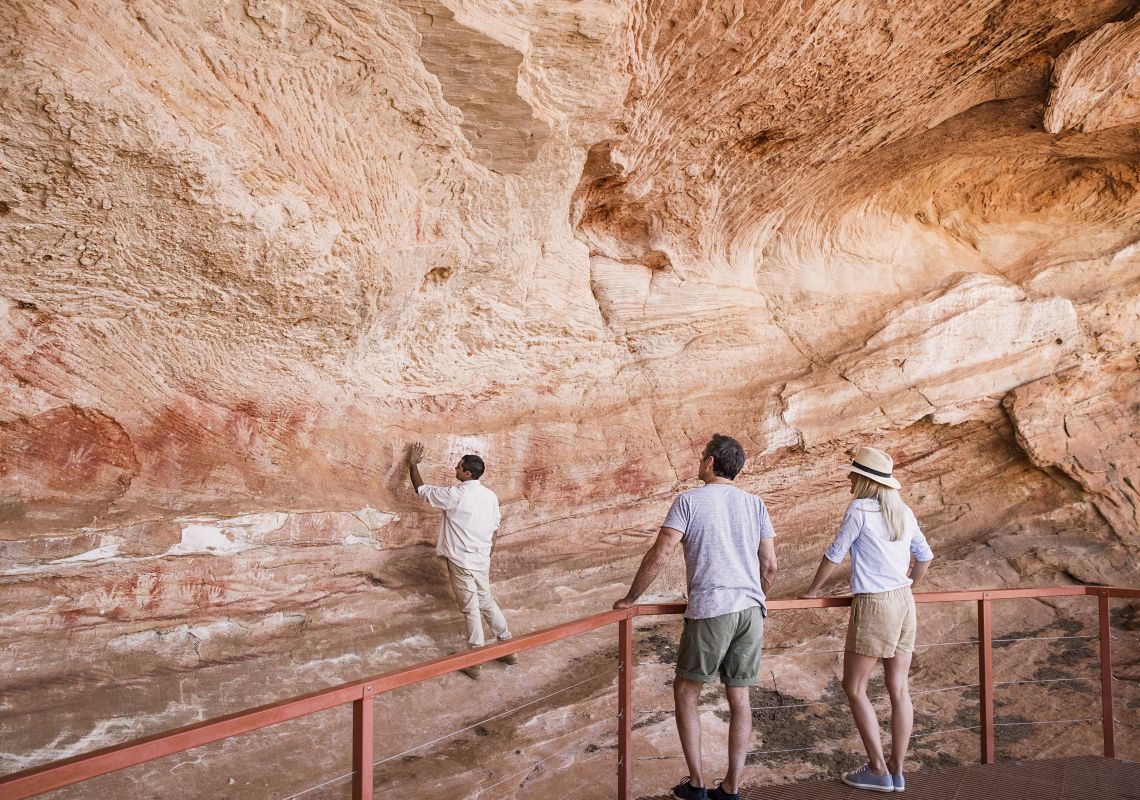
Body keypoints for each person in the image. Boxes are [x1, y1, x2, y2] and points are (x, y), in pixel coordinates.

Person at [614, 434, 777, 800]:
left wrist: (631, 598)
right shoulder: (755, 504)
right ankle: (731, 787)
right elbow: (770, 564)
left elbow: (661, 554)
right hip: (751, 610)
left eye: (702, 457)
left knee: (687, 691)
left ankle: (698, 785)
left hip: (712, 609)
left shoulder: (688, 501)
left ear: (709, 462)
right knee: (740, 699)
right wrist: (758, 598)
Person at [801, 446, 934, 793]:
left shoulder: (860, 508)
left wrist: (813, 590)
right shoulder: (903, 511)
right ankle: (897, 771)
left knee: (855, 687)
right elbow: (925, 556)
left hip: (875, 605)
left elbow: (835, 553)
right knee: (899, 688)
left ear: (864, 479)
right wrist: (909, 588)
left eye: (852, 473)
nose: (848, 477)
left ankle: (877, 769)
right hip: (905, 603)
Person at [408, 442, 516, 680]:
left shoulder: (456, 495)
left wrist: (412, 464)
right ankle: (507, 647)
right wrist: (488, 552)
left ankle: (475, 659)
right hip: (481, 558)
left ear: (467, 473)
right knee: (486, 601)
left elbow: (422, 490)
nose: (454, 469)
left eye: (458, 467)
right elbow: (495, 528)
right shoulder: (490, 496)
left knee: (470, 607)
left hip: (462, 561)